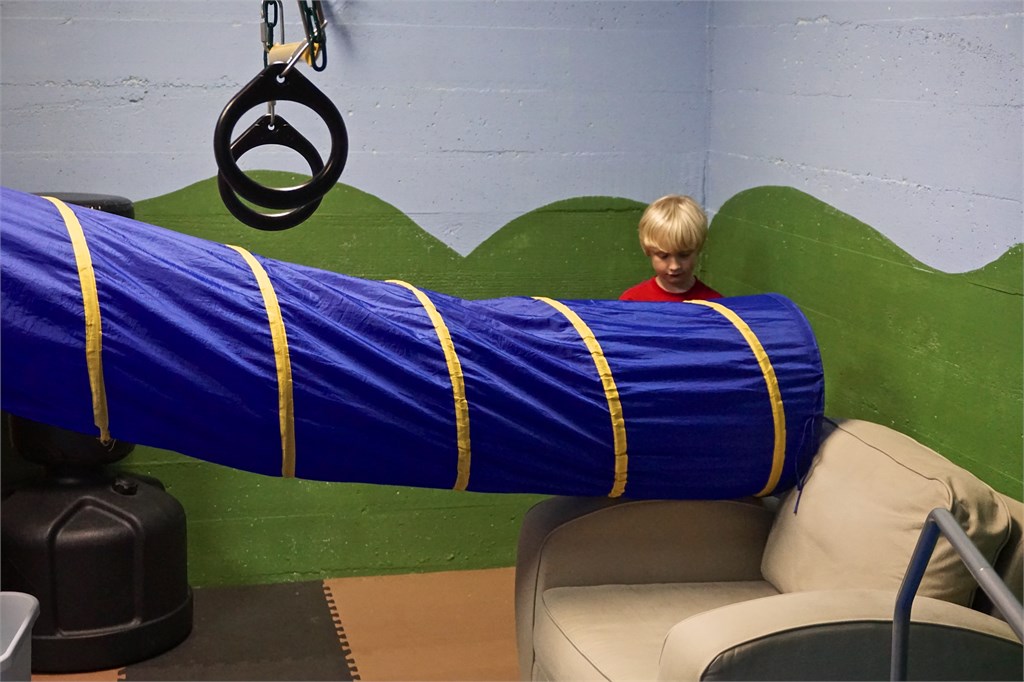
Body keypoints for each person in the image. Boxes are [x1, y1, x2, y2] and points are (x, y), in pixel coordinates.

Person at [619, 194, 722, 302]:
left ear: (698, 248)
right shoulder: (631, 301)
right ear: (648, 250)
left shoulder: (715, 304)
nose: (674, 266)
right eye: (663, 256)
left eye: (684, 255)